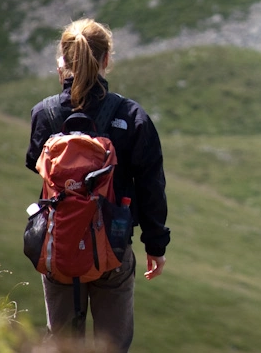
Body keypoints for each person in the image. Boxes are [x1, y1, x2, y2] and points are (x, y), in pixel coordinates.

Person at [25, 18, 170, 352]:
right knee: (112, 346)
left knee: (62, 344)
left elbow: (36, 163)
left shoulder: (44, 113)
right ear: (106, 60)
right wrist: (156, 246)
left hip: (57, 244)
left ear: (61, 61)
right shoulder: (132, 116)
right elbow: (151, 186)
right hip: (113, 247)